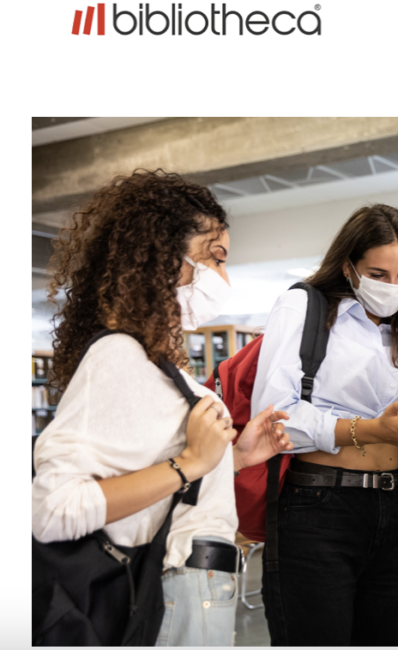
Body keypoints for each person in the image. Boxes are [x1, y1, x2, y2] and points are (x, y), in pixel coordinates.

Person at [32, 169, 294, 646]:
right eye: (214, 257)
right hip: (177, 587)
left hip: (197, 584)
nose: (223, 276)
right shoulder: (119, 356)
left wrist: (230, 460)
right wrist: (191, 462)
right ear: (160, 253)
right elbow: (53, 509)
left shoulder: (151, 363)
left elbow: (154, 478)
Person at [251, 203, 398, 647]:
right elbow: (273, 417)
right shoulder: (306, 307)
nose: (393, 288)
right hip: (319, 505)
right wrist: (372, 430)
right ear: (349, 266)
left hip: (395, 506)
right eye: (378, 274)